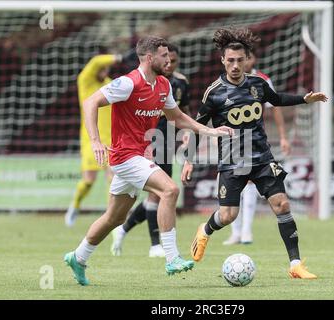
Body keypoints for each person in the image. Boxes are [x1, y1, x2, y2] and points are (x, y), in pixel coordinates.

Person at [63, 36, 233, 285]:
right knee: (170, 190)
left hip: (138, 156)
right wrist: (96, 141)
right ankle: (172, 257)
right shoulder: (127, 83)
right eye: (164, 55)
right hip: (124, 156)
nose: (169, 60)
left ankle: (78, 257)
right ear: (150, 57)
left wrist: (211, 131)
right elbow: (90, 103)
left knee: (115, 218)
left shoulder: (164, 85)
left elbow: (178, 117)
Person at [182, 27, 328, 279]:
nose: (235, 65)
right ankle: (205, 230)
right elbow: (198, 126)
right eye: (230, 61)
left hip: (262, 158)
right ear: (223, 61)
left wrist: (305, 99)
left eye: (240, 60)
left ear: (247, 59)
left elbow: (277, 99)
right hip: (231, 162)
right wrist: (189, 160)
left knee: (282, 204)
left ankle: (295, 265)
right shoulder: (214, 92)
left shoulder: (258, 84)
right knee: (228, 215)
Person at [110, 43, 191, 258]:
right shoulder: (142, 82)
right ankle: (156, 245)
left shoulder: (180, 83)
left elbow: (184, 113)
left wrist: (188, 135)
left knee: (155, 196)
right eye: (165, 58)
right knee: (161, 194)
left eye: (172, 60)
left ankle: (123, 228)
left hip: (168, 142)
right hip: (150, 141)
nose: (169, 63)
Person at [223, 48, 291, 245]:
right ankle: (235, 231)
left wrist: (283, 136)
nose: (241, 63)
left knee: (252, 184)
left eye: (246, 58)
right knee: (233, 183)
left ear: (251, 59)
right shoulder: (225, 83)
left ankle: (246, 231)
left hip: (253, 141)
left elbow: (275, 108)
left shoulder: (261, 80)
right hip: (231, 142)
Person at [64, 54, 121, 227]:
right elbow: (96, 61)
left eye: (107, 69)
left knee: (112, 177)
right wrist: (118, 57)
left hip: (111, 139)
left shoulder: (109, 85)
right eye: (102, 68)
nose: (105, 71)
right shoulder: (85, 80)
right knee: (88, 181)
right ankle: (75, 206)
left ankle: (109, 216)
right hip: (91, 139)